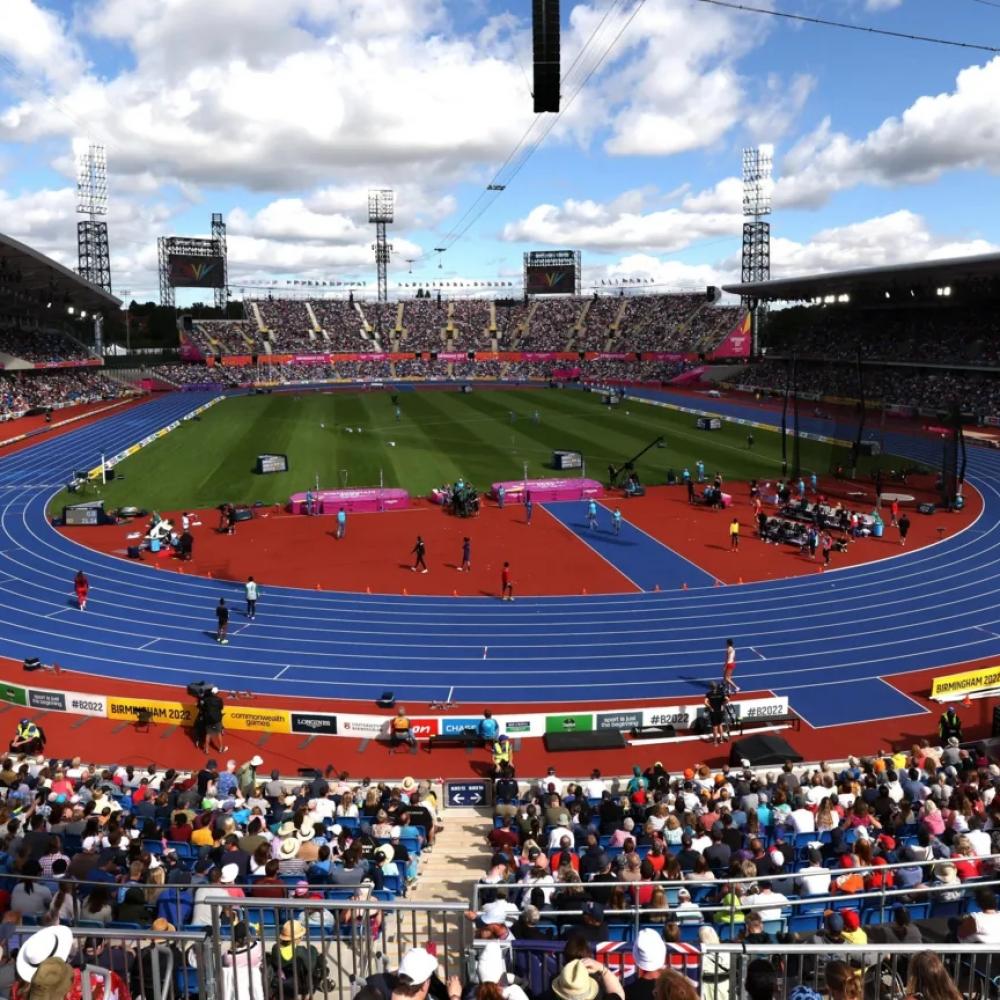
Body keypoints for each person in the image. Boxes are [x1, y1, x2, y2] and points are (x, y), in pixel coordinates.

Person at [197, 685, 227, 754]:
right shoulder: (219, 700)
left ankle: (206, 750)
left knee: (208, 734)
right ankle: (221, 748)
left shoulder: (206, 700)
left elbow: (203, 708)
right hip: (216, 719)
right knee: (218, 733)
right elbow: (221, 708)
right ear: (217, 693)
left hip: (208, 719)